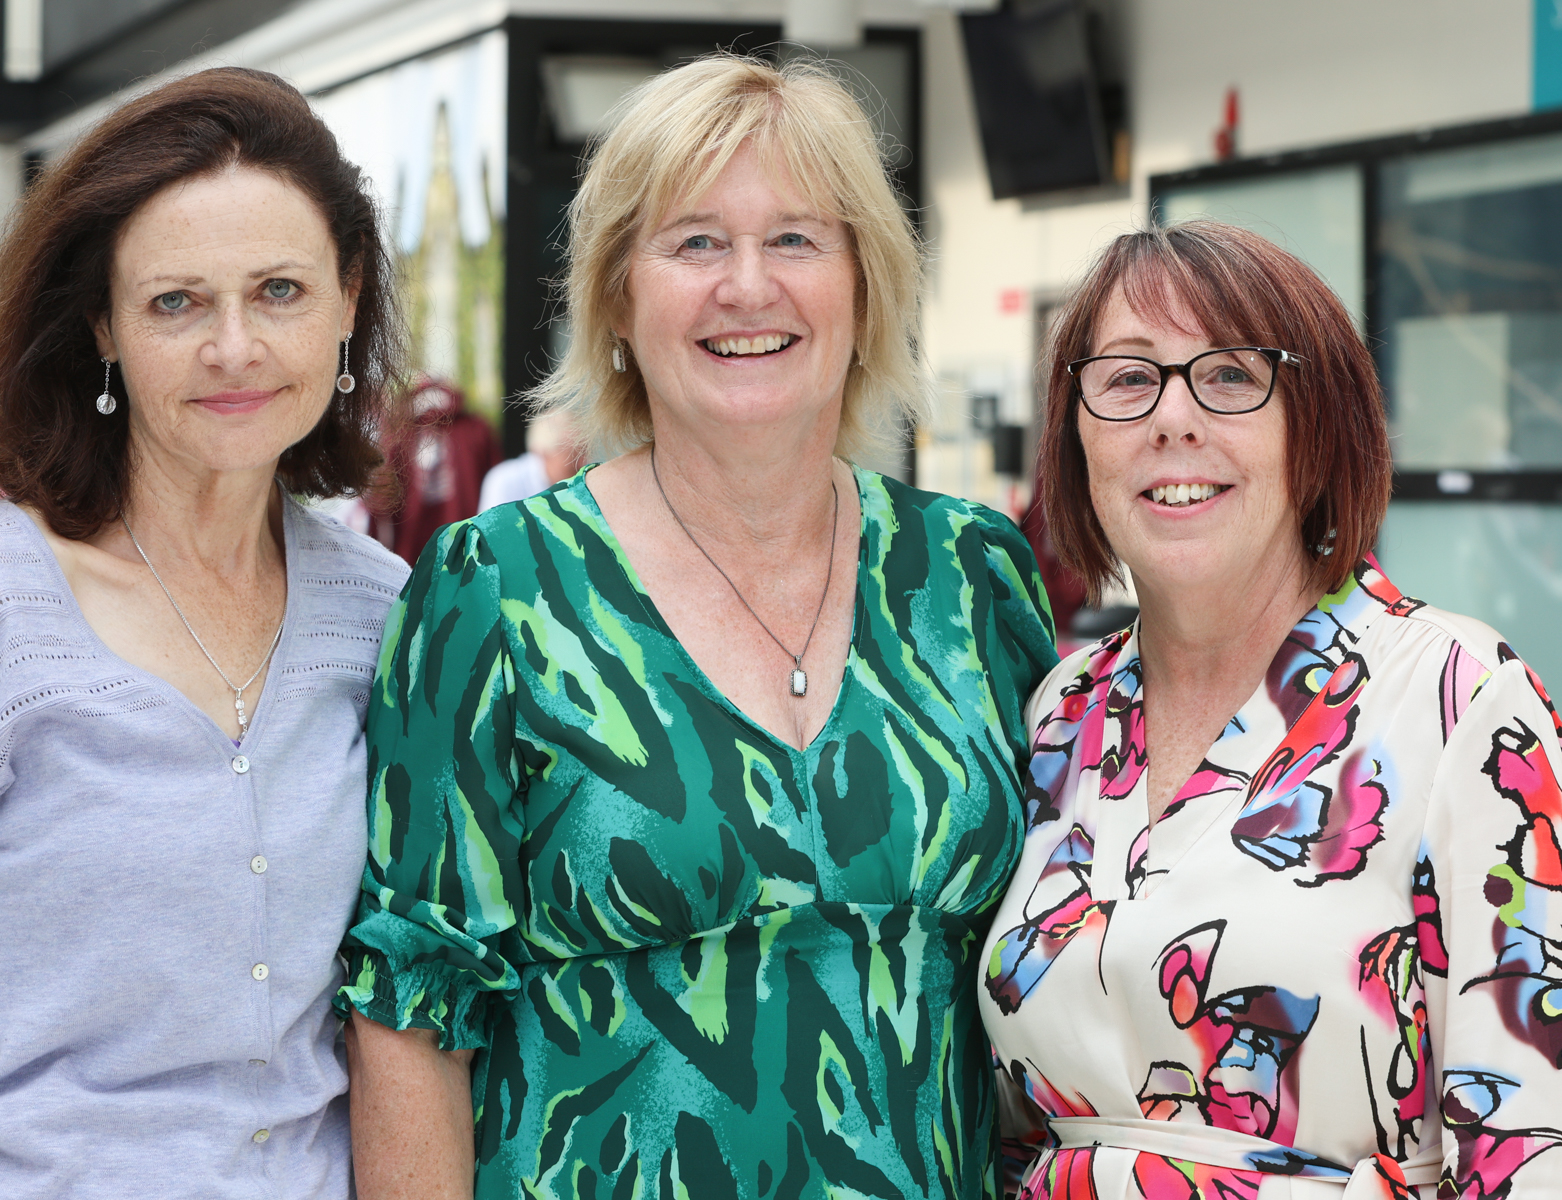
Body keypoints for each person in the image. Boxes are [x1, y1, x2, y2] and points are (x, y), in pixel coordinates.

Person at [341, 54, 1057, 1200]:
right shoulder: (494, 589)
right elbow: (412, 1014)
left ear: (865, 287)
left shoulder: (970, 575)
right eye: (694, 242)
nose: (747, 287)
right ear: (618, 297)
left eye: (796, 240)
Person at [0, 68, 411, 1197]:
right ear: (103, 327)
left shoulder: (382, 613)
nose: (235, 347)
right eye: (177, 302)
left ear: (348, 297)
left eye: (278, 290)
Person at [980, 220, 1562, 1198]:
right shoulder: (1062, 714)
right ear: (1074, 434)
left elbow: (1542, 1148)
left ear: (1320, 423)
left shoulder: (1458, 698)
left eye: (1228, 376)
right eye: (1128, 379)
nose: (1173, 420)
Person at [367, 375, 498, 561]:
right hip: (412, 535)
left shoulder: (474, 429)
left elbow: (493, 481)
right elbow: (382, 489)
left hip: (463, 532)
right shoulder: (399, 431)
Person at [477, 408, 587, 510]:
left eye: (584, 453)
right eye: (575, 455)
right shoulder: (505, 481)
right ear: (546, 452)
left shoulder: (580, 485)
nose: (583, 462)